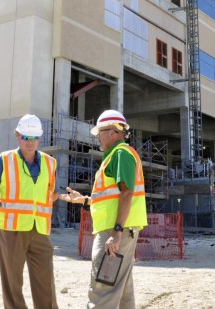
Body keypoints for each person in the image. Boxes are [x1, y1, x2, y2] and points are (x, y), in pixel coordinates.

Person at [63, 109, 148, 309]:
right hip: (121, 230)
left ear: (114, 132)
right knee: (122, 289)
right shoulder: (114, 156)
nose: (97, 137)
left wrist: (116, 232)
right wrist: (83, 200)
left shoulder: (120, 154)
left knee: (102, 289)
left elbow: (127, 193)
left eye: (100, 132)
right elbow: (110, 198)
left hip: (116, 232)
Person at [0, 114, 60, 309]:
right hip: (12, 229)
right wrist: (2, 203)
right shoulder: (4, 160)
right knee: (13, 282)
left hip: (40, 229)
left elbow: (52, 193)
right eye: (26, 137)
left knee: (45, 279)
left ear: (39, 138)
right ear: (17, 136)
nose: (30, 142)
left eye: (34, 138)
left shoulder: (50, 163)